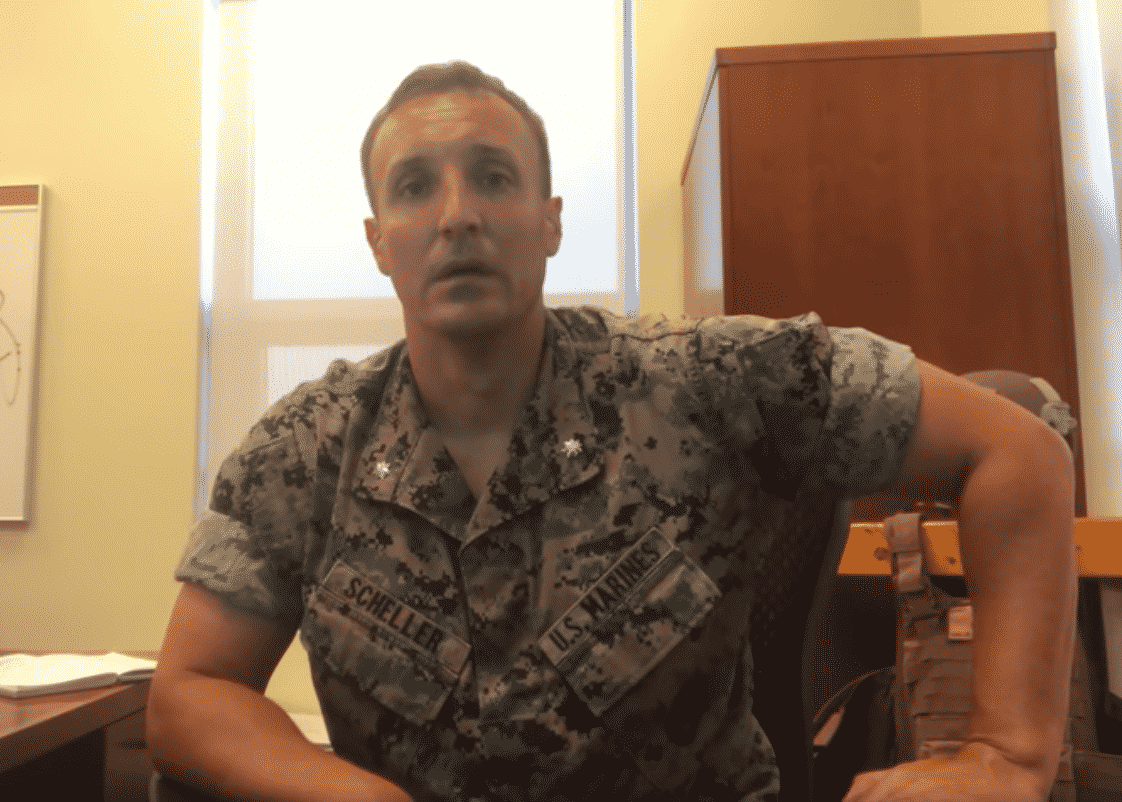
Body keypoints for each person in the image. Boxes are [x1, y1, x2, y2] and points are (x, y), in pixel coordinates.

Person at [146, 61, 1077, 802]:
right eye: (415, 187)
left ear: (549, 223)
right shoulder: (303, 451)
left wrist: (1005, 753)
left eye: (494, 178)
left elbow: (1018, 447)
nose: (457, 215)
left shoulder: (709, 383)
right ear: (378, 240)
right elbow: (191, 691)